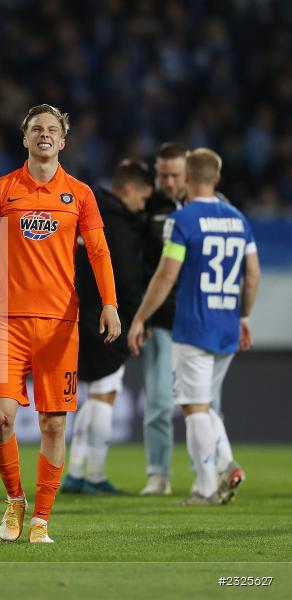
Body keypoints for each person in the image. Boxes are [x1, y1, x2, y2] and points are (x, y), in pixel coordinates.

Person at [0, 104, 120, 544]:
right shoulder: (3, 189)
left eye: (52, 130)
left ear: (63, 141)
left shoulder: (80, 194)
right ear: (25, 139)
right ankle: (14, 499)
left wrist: (110, 303)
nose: (44, 134)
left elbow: (98, 251)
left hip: (61, 324)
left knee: (54, 424)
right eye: (36, 129)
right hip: (9, 323)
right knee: (1, 419)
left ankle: (41, 518)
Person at [129, 147, 259, 505]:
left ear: (187, 178)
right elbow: (253, 275)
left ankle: (205, 487)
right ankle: (226, 463)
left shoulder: (183, 221)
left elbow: (166, 274)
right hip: (228, 326)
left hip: (193, 326)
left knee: (194, 408)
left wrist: (140, 316)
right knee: (206, 405)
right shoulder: (238, 219)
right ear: (216, 179)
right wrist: (244, 315)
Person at [62, 159, 153, 495]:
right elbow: (127, 278)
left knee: (90, 397)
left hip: (76, 315)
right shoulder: (118, 223)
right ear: (128, 189)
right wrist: (136, 318)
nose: (142, 206)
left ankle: (74, 473)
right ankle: (95, 475)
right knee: (104, 396)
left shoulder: (84, 208)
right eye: (142, 198)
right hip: (108, 318)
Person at [138, 142, 187, 496]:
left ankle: (211, 470)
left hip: (200, 319)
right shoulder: (149, 207)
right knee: (158, 400)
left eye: (175, 175)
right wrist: (142, 314)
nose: (167, 182)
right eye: (162, 174)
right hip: (162, 318)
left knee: (208, 402)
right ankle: (158, 474)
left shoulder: (210, 206)